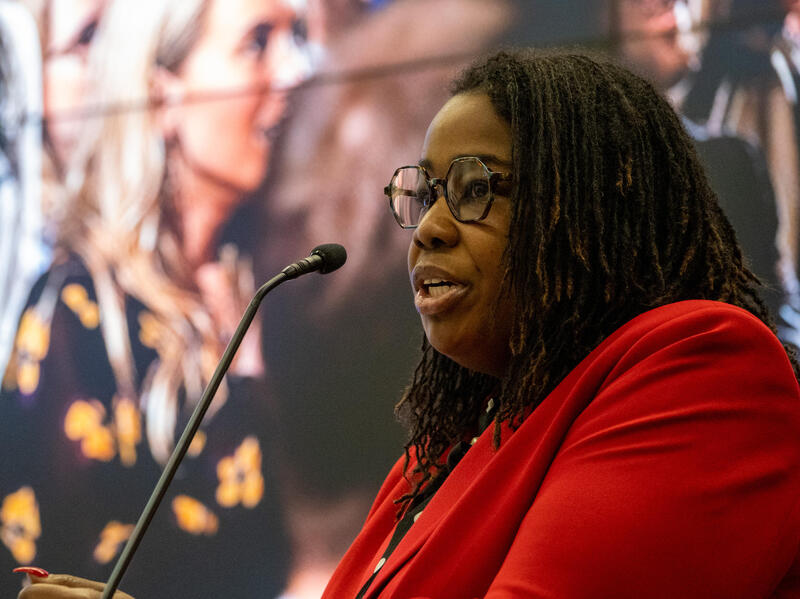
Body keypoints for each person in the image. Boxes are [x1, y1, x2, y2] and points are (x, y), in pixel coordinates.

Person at [16, 49, 800, 598]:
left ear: (593, 201)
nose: (426, 228)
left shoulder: (704, 365)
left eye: (474, 188)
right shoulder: (438, 457)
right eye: (421, 195)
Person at [1, 0, 315, 597]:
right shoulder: (80, 315)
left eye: (295, 37)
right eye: (257, 43)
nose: (294, 70)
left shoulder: (288, 277)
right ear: (165, 93)